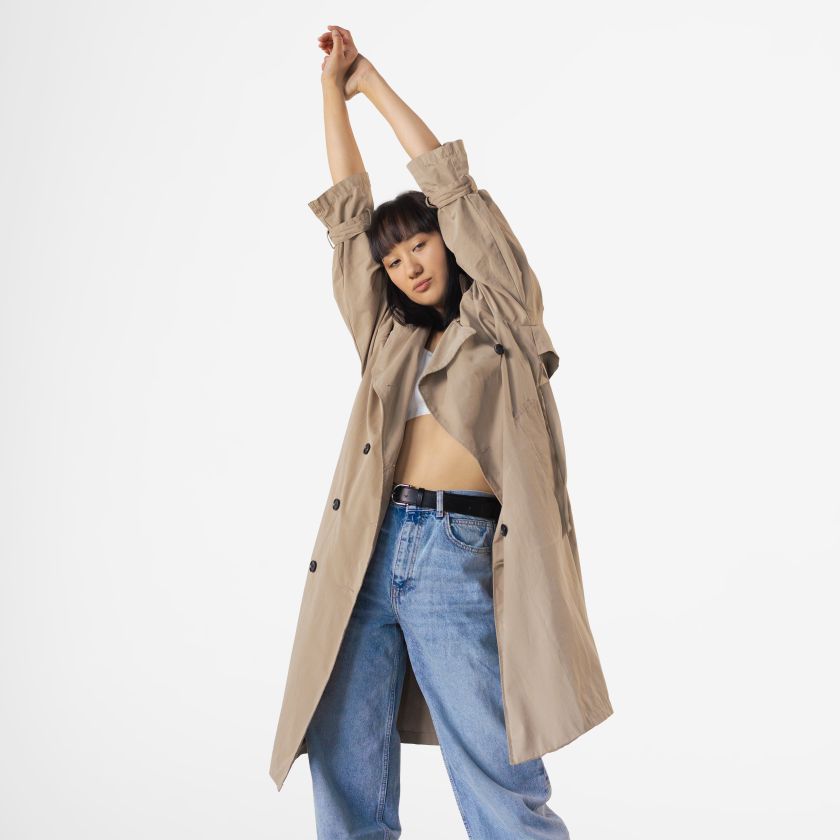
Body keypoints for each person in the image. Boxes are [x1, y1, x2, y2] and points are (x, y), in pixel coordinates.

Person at [297, 25, 579, 839]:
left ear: (446, 242)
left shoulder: (502, 317)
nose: (410, 265)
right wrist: (330, 91)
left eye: (420, 244)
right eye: (394, 261)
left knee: (496, 774)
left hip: (457, 550)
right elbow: (347, 217)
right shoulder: (387, 337)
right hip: (369, 544)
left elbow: (455, 188)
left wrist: (372, 84)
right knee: (343, 763)